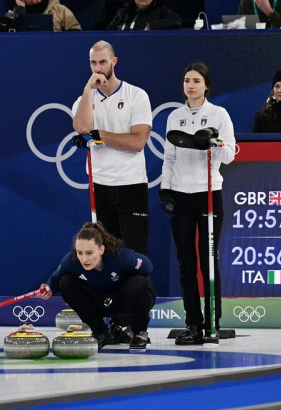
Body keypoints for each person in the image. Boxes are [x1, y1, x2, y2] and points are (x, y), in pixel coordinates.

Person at [160, 62, 236, 345]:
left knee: (208, 259)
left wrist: (213, 141)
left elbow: (229, 154)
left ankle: (212, 323)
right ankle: (193, 322)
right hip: (180, 194)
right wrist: (165, 190)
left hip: (208, 193)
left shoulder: (219, 114)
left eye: (196, 81)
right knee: (185, 262)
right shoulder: (174, 117)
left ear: (206, 85)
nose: (190, 85)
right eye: (186, 80)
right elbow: (169, 157)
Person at [70, 40, 152, 255]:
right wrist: (89, 89)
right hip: (100, 185)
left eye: (103, 62)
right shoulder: (83, 99)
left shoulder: (137, 95)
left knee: (136, 254)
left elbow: (137, 142)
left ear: (114, 62)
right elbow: (82, 127)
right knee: (105, 256)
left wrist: (99, 136)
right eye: (93, 63)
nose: (98, 68)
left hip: (131, 184)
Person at [37, 221, 156, 350]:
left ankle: (139, 332)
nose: (84, 259)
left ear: (101, 249)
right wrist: (49, 289)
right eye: (80, 252)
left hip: (124, 301)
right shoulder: (71, 261)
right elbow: (55, 279)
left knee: (139, 283)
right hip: (101, 303)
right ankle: (101, 332)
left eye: (89, 253)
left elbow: (147, 267)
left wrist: (128, 288)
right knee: (65, 282)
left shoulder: (121, 257)